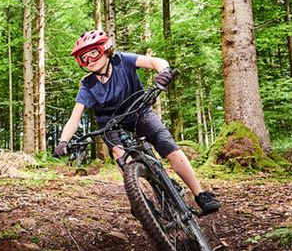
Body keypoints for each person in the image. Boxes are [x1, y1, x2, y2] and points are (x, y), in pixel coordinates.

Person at [53, 29, 221, 215]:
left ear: (106, 49)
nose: (89, 60)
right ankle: (140, 200)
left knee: (170, 149)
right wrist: (63, 141)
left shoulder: (122, 61)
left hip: (139, 111)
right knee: (121, 156)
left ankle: (200, 194)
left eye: (93, 53)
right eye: (83, 58)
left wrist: (163, 71)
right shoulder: (87, 84)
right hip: (111, 124)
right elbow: (74, 118)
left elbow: (153, 61)